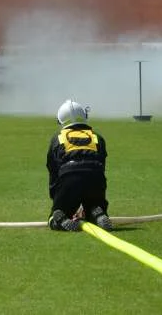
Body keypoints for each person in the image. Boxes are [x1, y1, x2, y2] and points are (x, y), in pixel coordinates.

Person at [46, 99, 112, 232]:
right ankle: (97, 212)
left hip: (69, 177)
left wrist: (58, 200)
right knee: (94, 205)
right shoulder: (97, 137)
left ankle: (60, 219)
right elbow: (101, 168)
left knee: (54, 217)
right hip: (95, 178)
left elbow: (53, 172)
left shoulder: (58, 138)